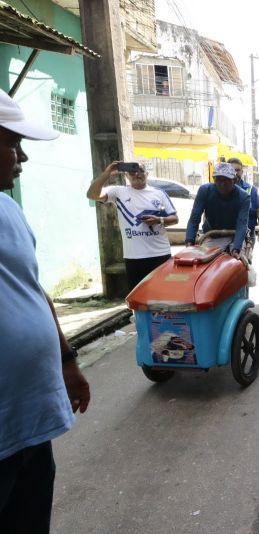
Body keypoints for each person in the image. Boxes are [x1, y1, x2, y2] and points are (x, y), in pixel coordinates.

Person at [0, 89, 90, 531]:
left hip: (29, 421)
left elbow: (34, 291)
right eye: (12, 143)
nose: (22, 158)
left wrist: (68, 361)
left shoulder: (9, 208)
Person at [86, 162, 178, 289]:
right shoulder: (118, 192)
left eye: (140, 171)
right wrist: (106, 174)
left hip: (160, 254)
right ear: (126, 176)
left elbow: (174, 218)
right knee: (138, 298)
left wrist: (159, 220)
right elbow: (91, 195)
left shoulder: (159, 193)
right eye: (132, 171)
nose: (137, 174)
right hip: (134, 257)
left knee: (164, 294)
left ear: (147, 174)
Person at [185, 162, 250, 258]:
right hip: (212, 235)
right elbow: (195, 217)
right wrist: (189, 241)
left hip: (235, 235)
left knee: (240, 264)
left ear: (234, 180)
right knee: (202, 262)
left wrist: (236, 248)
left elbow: (242, 223)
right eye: (218, 180)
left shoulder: (243, 196)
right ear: (214, 180)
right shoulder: (205, 191)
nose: (222, 184)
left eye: (226, 180)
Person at [229, 157, 259, 259]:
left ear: (242, 171)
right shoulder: (220, 188)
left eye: (237, 170)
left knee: (245, 262)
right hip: (227, 232)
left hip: (248, 234)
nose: (235, 173)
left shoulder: (250, 189)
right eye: (232, 170)